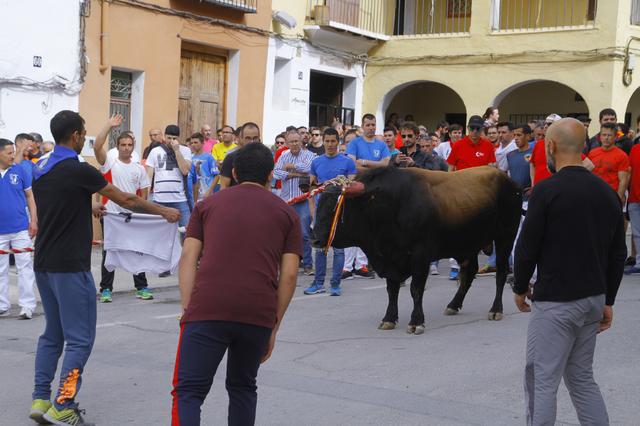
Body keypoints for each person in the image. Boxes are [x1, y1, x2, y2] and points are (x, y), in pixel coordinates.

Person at [29, 110, 179, 425]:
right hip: (71, 265)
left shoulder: (40, 167)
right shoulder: (79, 169)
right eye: (83, 133)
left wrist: (89, 204)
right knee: (80, 339)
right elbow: (126, 199)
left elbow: (57, 201)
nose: (85, 137)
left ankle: (41, 399)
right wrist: (162, 211)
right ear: (75, 136)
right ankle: (64, 403)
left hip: (43, 262)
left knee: (52, 335)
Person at [171, 143, 301, 426]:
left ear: (234, 172)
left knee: (189, 392)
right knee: (243, 387)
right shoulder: (287, 214)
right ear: (270, 175)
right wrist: (273, 325)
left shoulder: (207, 206)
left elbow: (187, 257)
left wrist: (187, 308)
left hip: (207, 308)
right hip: (257, 313)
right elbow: (289, 276)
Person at [513, 117, 626, 426]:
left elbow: (527, 247)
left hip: (557, 301)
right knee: (580, 378)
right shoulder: (607, 194)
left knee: (542, 379)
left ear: (550, 146)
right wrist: (608, 299)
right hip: (592, 298)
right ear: (584, 147)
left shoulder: (546, 191)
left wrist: (520, 288)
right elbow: (619, 253)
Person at [94, 127, 154, 303]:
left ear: (133, 147)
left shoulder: (139, 169)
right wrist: (108, 125)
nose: (126, 148)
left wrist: (141, 213)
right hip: (112, 216)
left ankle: (142, 287)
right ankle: (105, 290)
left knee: (137, 250)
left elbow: (144, 193)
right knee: (110, 252)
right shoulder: (109, 164)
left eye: (129, 145)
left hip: (132, 217)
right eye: (123, 145)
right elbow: (97, 147)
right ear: (117, 147)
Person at [305, 128, 357, 296]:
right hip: (321, 211)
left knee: (339, 249)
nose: (329, 144)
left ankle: (335, 284)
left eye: (333, 141)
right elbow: (311, 189)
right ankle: (318, 283)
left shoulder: (347, 162)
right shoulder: (316, 162)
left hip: (340, 211)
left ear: (338, 142)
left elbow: (351, 186)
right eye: (327, 141)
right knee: (319, 248)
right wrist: (313, 211)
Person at [343, 114, 389, 279]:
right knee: (354, 226)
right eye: (368, 124)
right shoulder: (354, 143)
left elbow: (385, 164)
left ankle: (362, 265)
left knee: (369, 228)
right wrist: (374, 167)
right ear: (362, 126)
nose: (371, 127)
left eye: (373, 124)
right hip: (357, 189)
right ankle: (347, 267)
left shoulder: (381, 144)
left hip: (376, 191)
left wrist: (365, 163)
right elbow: (352, 164)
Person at [0, 139, 38, 319]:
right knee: (0, 269)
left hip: (21, 228)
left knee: (25, 267)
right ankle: (2, 305)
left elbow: (30, 197)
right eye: (8, 152)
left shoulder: (20, 170)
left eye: (13, 151)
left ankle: (27, 306)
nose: (12, 155)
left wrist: (34, 221)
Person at [273, 130, 316, 276]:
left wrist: (289, 168)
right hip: (287, 201)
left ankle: (308, 264)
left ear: (301, 140)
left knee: (304, 233)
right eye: (291, 141)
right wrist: (297, 173)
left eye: (297, 141)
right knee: (286, 234)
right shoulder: (284, 156)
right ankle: (290, 263)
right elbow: (276, 173)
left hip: (302, 200)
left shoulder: (309, 155)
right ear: (287, 143)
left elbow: (308, 169)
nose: (294, 144)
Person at [145, 124, 192, 229]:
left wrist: (177, 150)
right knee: (157, 230)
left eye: (174, 138)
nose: (171, 141)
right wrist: (146, 198)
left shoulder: (185, 150)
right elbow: (149, 177)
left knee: (187, 230)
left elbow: (185, 170)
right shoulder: (155, 151)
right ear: (164, 137)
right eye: (169, 138)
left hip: (180, 199)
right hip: (159, 199)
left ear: (179, 138)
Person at [219, 123, 261, 189]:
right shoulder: (231, 158)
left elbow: (267, 186)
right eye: (248, 138)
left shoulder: (264, 158)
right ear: (241, 139)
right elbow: (224, 187)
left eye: (255, 138)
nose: (252, 142)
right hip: (235, 198)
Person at [187, 132, 219, 203]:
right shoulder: (189, 157)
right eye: (191, 143)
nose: (193, 145)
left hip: (205, 194)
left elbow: (217, 176)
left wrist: (209, 191)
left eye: (196, 142)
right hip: (193, 194)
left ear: (202, 143)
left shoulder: (209, 157)